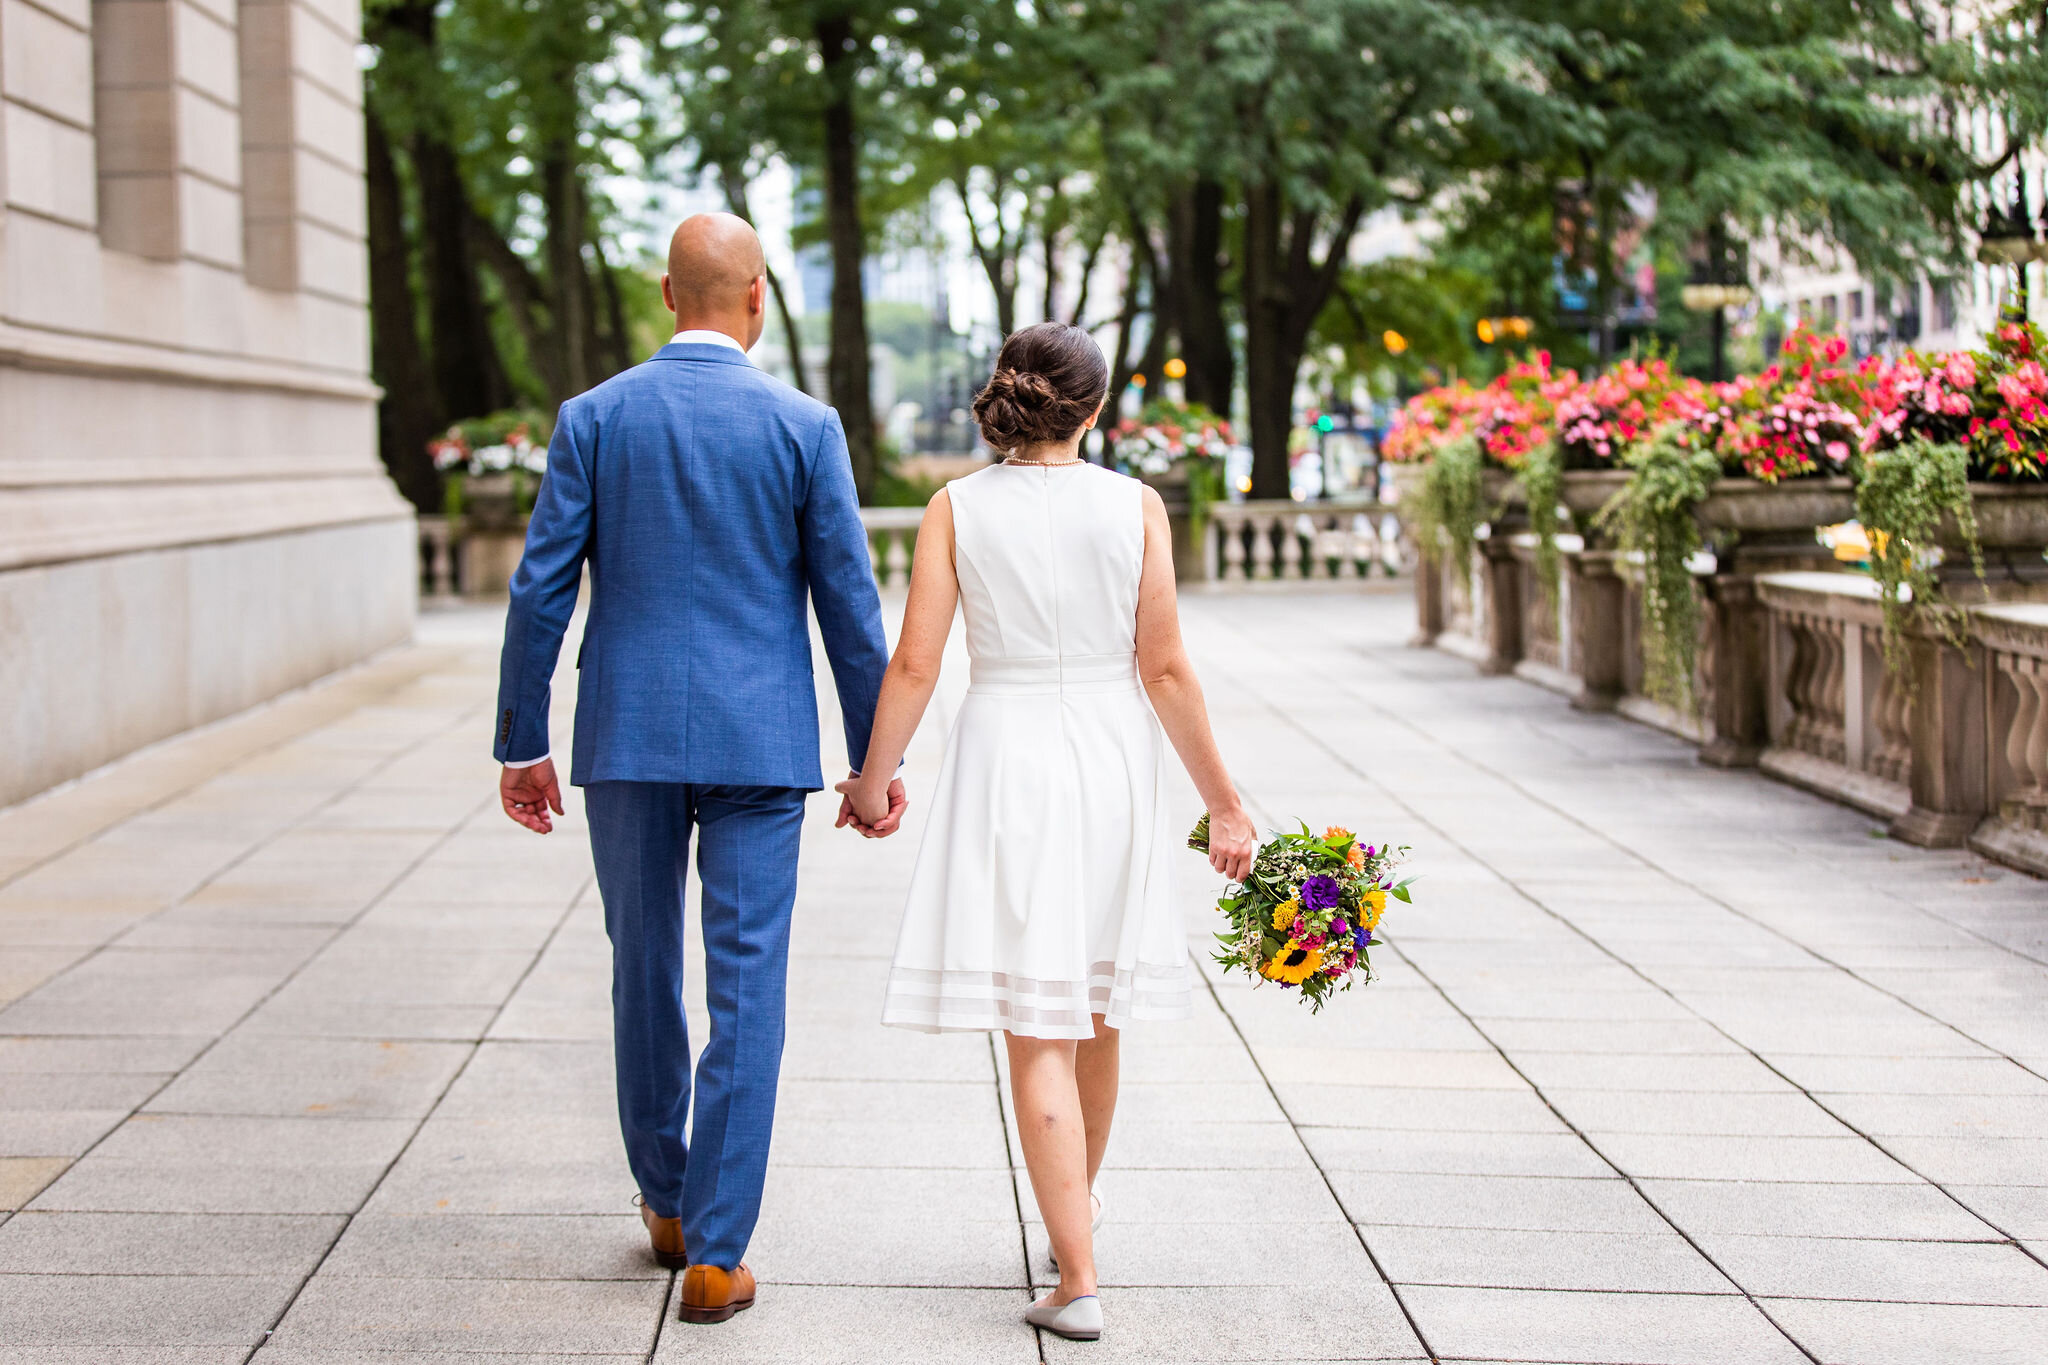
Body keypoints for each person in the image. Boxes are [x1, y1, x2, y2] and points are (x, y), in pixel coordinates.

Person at [492, 212, 906, 1325]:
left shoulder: (593, 417)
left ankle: (666, 1201)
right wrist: (876, 759)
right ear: (758, 298)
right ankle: (719, 1251)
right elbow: (848, 608)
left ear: (668, 298)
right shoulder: (803, 424)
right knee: (747, 981)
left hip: (625, 740)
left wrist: (520, 739)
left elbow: (539, 588)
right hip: (759, 744)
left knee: (642, 967)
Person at [836, 322, 1258, 1343]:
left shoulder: (955, 509)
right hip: (1111, 754)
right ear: (1095, 406)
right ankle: (1077, 1211)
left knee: (1037, 1022)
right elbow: (1162, 668)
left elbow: (915, 666)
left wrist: (871, 779)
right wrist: (1224, 800)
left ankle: (1077, 1279)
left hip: (1008, 756)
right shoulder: (1135, 506)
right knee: (1095, 1005)